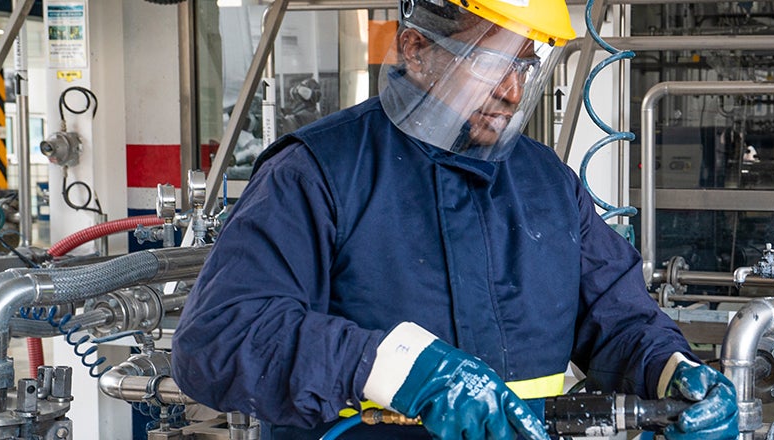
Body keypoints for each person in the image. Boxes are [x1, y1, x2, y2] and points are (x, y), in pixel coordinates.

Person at [170, 0, 738, 438]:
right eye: (491, 64)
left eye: (526, 66)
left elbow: (618, 321)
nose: (513, 92)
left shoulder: (547, 183)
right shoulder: (316, 172)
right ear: (416, 49)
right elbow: (218, 341)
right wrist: (397, 369)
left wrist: (672, 369)